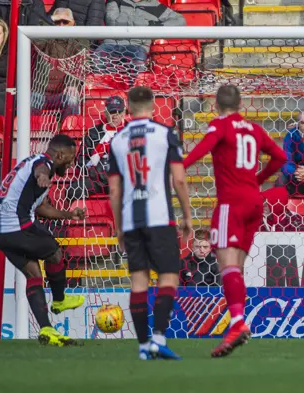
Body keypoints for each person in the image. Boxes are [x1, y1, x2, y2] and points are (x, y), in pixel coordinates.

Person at [183, 85, 286, 358]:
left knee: (226, 265)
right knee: (235, 268)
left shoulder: (219, 127)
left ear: (216, 105)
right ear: (241, 104)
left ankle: (238, 324)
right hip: (255, 203)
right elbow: (281, 158)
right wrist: (257, 181)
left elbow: (199, 152)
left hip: (232, 203)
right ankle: (237, 322)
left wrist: (178, 166)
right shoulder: (254, 129)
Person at [107, 86, 192, 360]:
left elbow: (114, 191)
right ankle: (158, 337)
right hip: (158, 216)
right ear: (154, 106)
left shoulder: (117, 140)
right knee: (168, 275)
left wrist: (119, 227)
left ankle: (144, 346)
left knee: (138, 280)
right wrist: (187, 216)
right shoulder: (165, 134)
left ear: (128, 109)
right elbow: (178, 179)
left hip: (132, 219)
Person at [0, 134, 86, 347]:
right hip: (13, 226)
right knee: (55, 252)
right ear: (59, 155)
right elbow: (40, 171)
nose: (71, 163)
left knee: (33, 272)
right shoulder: (44, 165)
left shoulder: (31, 162)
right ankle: (59, 299)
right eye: (69, 158)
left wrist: (69, 215)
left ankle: (47, 329)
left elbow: (41, 208)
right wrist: (42, 176)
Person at [68, 95, 126, 200]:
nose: (115, 116)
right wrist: (93, 172)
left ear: (124, 113)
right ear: (105, 113)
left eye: (119, 112)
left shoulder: (131, 132)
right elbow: (80, 161)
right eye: (112, 112)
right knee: (73, 190)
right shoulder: (93, 133)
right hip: (97, 181)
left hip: (123, 182)